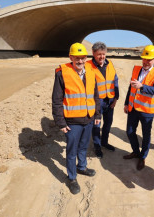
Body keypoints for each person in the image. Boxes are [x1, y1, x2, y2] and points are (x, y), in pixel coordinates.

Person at [52, 42, 101, 195]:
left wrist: (97, 114)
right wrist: (60, 122)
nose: (80, 61)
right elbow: (57, 100)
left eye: (83, 58)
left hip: (88, 119)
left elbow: (96, 96)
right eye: (77, 58)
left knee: (84, 146)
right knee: (72, 151)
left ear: (86, 57)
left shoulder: (91, 72)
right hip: (72, 122)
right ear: (71, 57)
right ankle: (72, 177)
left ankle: (82, 167)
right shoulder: (62, 73)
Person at [123, 45, 154, 171]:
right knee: (130, 132)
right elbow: (131, 88)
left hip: (147, 111)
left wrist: (141, 86)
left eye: (149, 59)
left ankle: (143, 157)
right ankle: (136, 152)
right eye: (144, 59)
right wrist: (126, 103)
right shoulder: (136, 69)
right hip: (133, 108)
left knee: (146, 136)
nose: (146, 62)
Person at [85, 42, 119, 159]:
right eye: (99, 54)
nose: (102, 57)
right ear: (93, 54)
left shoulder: (110, 64)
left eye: (103, 54)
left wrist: (116, 98)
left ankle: (105, 142)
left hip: (109, 101)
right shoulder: (87, 66)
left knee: (108, 124)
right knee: (96, 125)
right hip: (96, 102)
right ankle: (97, 147)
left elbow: (115, 82)